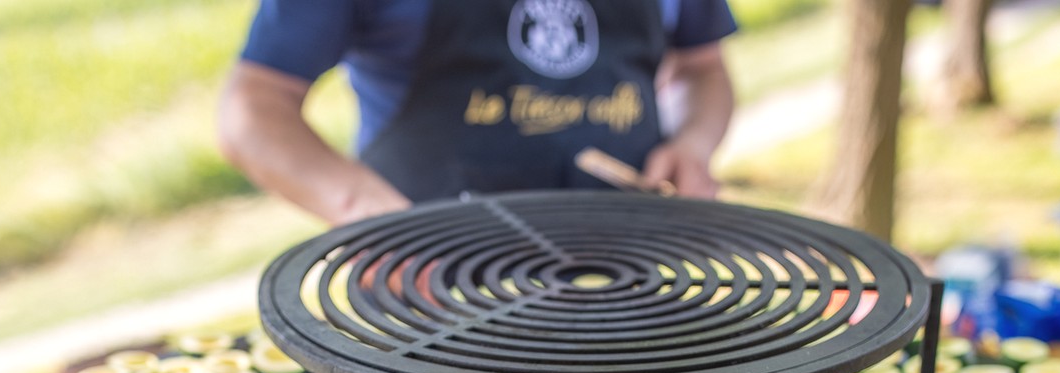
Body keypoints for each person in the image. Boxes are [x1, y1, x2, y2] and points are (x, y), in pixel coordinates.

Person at [218, 0, 738, 224]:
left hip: (633, 283)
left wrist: (692, 142)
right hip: (433, 300)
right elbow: (254, 107)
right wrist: (359, 208)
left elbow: (701, 67)